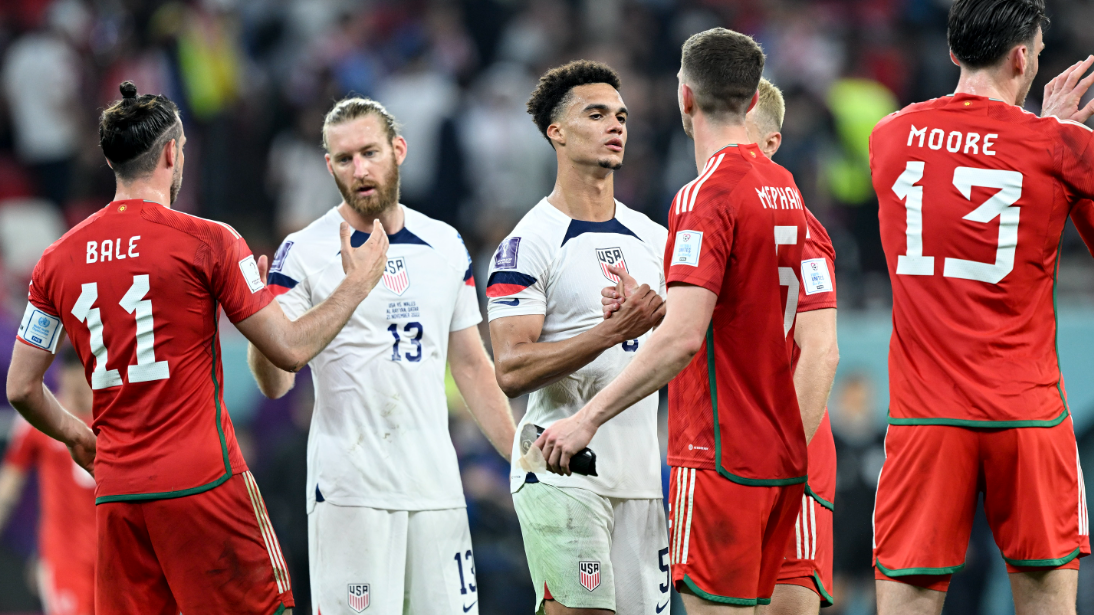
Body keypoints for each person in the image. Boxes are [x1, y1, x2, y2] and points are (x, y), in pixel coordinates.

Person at [6, 81, 391, 615]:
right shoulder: (209, 240)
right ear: (172, 153)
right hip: (204, 485)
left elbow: (21, 387)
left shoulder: (55, 261)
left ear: (113, 161)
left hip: (118, 496)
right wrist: (358, 283)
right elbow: (289, 350)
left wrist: (77, 436)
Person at [539, 28, 811, 613]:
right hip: (780, 453)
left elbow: (684, 339)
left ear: (684, 96)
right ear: (751, 99)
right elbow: (740, 306)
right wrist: (659, 302)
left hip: (718, 454)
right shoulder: (784, 187)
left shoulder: (703, 195)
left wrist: (586, 418)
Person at [247, 97, 516, 615]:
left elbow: (470, 364)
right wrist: (260, 326)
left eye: (370, 153)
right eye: (344, 159)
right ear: (329, 166)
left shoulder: (445, 244)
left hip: (437, 488)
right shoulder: (302, 252)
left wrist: (518, 457)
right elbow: (276, 383)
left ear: (399, 150)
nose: (359, 170)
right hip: (352, 493)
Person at [867, 0, 1094, 612]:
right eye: (1037, 53)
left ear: (953, 51)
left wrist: (1043, 138)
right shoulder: (1058, 147)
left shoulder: (889, 136)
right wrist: (1063, 141)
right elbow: (1020, 159)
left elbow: (972, 159)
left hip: (925, 417)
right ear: (1022, 58)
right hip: (1028, 416)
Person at [486, 60, 669, 615]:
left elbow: (683, 340)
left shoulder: (654, 239)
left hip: (642, 478)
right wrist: (611, 332)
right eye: (596, 114)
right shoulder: (527, 244)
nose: (615, 125)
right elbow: (511, 368)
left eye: (621, 116)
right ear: (557, 132)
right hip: (561, 473)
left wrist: (654, 317)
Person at [748, 79, 840, 615]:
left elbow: (821, 352)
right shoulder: (693, 216)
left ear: (772, 142)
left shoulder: (801, 228)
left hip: (785, 458)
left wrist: (782, 467)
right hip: (720, 457)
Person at [0, 345, 95, 615]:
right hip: (64, 559)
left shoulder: (116, 421)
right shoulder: (39, 421)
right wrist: (39, 553)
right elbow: (8, 488)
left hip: (116, 558)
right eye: (73, 388)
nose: (78, 396)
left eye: (84, 388)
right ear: (62, 376)